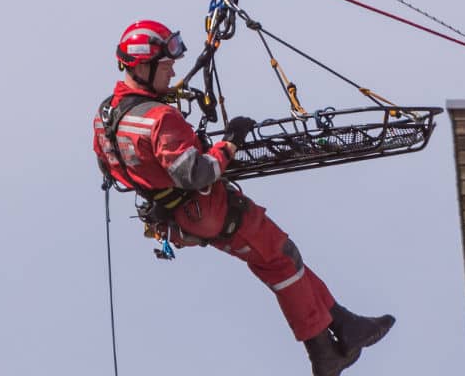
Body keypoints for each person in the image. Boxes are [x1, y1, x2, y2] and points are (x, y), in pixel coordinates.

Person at [93, 19, 395, 375]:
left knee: (279, 256)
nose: (173, 71)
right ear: (141, 67)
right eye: (165, 65)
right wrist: (231, 142)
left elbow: (109, 165)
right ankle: (323, 352)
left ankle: (345, 325)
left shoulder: (107, 115)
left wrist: (157, 179)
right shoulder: (159, 119)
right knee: (281, 261)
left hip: (178, 216)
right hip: (209, 207)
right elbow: (198, 173)